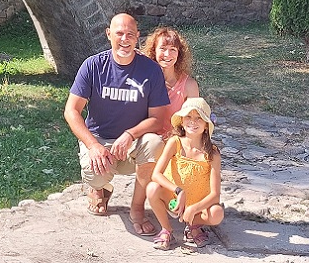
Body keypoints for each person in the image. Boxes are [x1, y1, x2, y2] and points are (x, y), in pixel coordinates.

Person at [64, 13, 170, 234]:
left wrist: (130, 134)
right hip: (100, 141)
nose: (124, 39)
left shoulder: (150, 70)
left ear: (137, 37)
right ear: (108, 34)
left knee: (154, 143)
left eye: (130, 34)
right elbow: (71, 111)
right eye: (119, 33)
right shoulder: (92, 66)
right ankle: (100, 189)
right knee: (96, 174)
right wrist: (93, 146)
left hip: (133, 143)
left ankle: (137, 210)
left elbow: (158, 119)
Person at [147, 97, 225, 250]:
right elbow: (156, 174)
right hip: (174, 200)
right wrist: (178, 190)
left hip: (197, 205)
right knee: (152, 188)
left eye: (198, 118)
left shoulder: (212, 154)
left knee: (217, 213)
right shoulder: (174, 143)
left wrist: (194, 208)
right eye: (188, 117)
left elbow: (215, 195)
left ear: (206, 126)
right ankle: (167, 230)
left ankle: (194, 227)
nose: (193, 122)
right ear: (182, 121)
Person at [142, 27, 200, 139]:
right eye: (162, 48)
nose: (167, 54)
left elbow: (193, 125)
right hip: (146, 143)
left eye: (173, 49)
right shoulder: (143, 80)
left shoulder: (189, 86)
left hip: (175, 144)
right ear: (154, 51)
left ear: (179, 53)